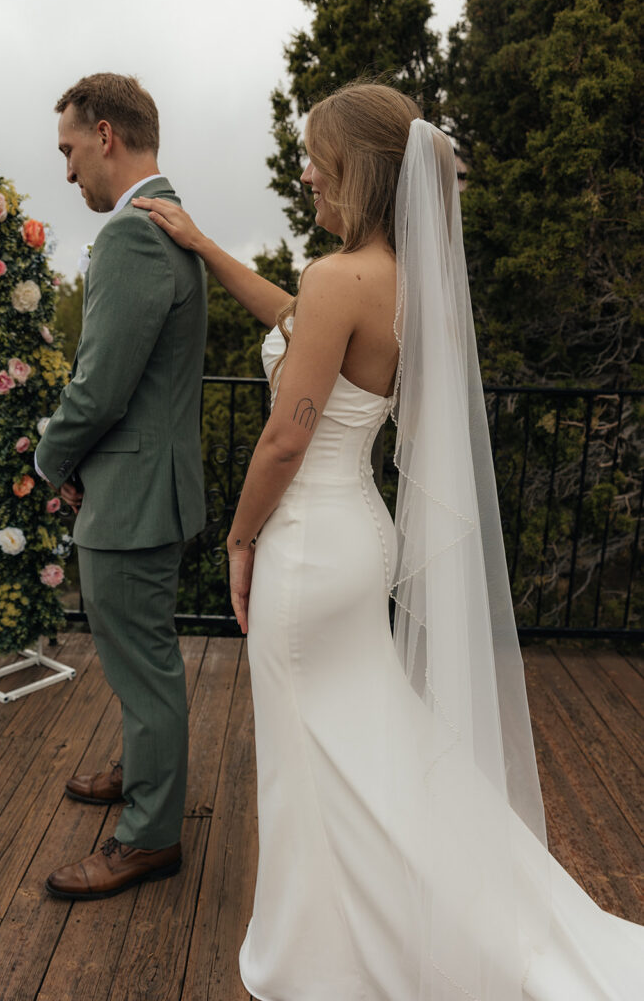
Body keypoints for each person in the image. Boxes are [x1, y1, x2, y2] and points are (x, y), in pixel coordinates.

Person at [134, 82, 643, 999]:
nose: (304, 174)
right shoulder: (399, 282)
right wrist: (208, 246)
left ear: (357, 170)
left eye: (313, 159)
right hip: (356, 535)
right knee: (371, 740)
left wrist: (240, 541)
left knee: (308, 754)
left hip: (306, 545)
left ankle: (325, 955)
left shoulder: (341, 280)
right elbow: (291, 319)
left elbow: (286, 436)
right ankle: (434, 916)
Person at [35, 73, 207, 900]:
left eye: (69, 150)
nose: (67, 172)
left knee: (144, 668)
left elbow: (99, 387)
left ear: (105, 134)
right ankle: (146, 769)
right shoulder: (162, 222)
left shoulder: (136, 236)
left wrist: (48, 460)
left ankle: (147, 838)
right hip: (142, 484)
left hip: (134, 496)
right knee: (143, 661)